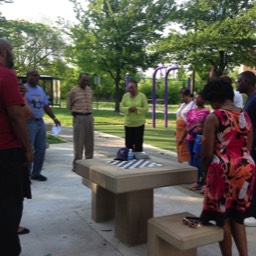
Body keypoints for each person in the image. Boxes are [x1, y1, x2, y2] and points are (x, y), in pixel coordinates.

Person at [200, 78, 255, 256]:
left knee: (223, 219)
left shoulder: (214, 117)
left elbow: (206, 154)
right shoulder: (244, 115)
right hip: (246, 168)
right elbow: (247, 146)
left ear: (215, 99)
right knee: (238, 218)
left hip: (223, 171)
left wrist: (207, 171)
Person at [0, 38, 33, 255]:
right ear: (4, 51)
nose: (12, 54)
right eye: (10, 51)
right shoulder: (6, 74)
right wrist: (28, 149)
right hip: (7, 151)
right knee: (10, 204)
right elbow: (19, 115)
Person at [24, 69, 61, 181]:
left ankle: (36, 173)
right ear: (27, 77)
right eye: (33, 75)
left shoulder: (40, 90)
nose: (36, 77)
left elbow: (45, 106)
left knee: (41, 149)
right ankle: (26, 175)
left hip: (40, 122)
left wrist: (54, 118)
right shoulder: (23, 89)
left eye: (37, 76)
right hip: (29, 123)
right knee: (29, 148)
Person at [178, 92, 210, 190]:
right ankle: (196, 181)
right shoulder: (191, 111)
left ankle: (204, 181)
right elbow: (187, 126)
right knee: (193, 161)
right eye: (195, 98)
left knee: (200, 160)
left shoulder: (206, 111)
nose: (197, 100)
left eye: (199, 98)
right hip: (190, 138)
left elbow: (207, 126)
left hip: (200, 139)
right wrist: (182, 138)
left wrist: (200, 128)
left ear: (204, 100)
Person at [237, 71, 256, 227]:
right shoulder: (250, 99)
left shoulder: (255, 99)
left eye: (239, 81)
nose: (237, 84)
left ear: (247, 81)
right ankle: (250, 212)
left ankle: (253, 214)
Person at [67, 72, 94, 172]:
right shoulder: (73, 91)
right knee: (79, 143)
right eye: (83, 80)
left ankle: (89, 165)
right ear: (79, 80)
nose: (85, 82)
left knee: (90, 143)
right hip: (79, 118)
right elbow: (69, 105)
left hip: (89, 117)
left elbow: (91, 103)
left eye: (87, 80)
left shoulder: (90, 90)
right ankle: (77, 165)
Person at [120, 80, 148, 152]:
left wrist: (137, 109)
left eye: (132, 88)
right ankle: (129, 159)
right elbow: (121, 108)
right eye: (129, 88)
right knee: (128, 144)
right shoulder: (125, 96)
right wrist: (128, 109)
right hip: (128, 124)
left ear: (136, 88)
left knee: (138, 143)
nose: (131, 90)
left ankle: (138, 159)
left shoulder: (142, 96)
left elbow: (146, 109)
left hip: (139, 124)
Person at [175, 88, 195, 163]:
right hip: (178, 130)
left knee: (185, 149)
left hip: (186, 130)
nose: (182, 98)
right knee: (179, 149)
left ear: (188, 95)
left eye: (184, 96)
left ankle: (186, 164)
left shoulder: (192, 105)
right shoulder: (182, 104)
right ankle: (180, 163)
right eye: (181, 97)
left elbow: (191, 119)